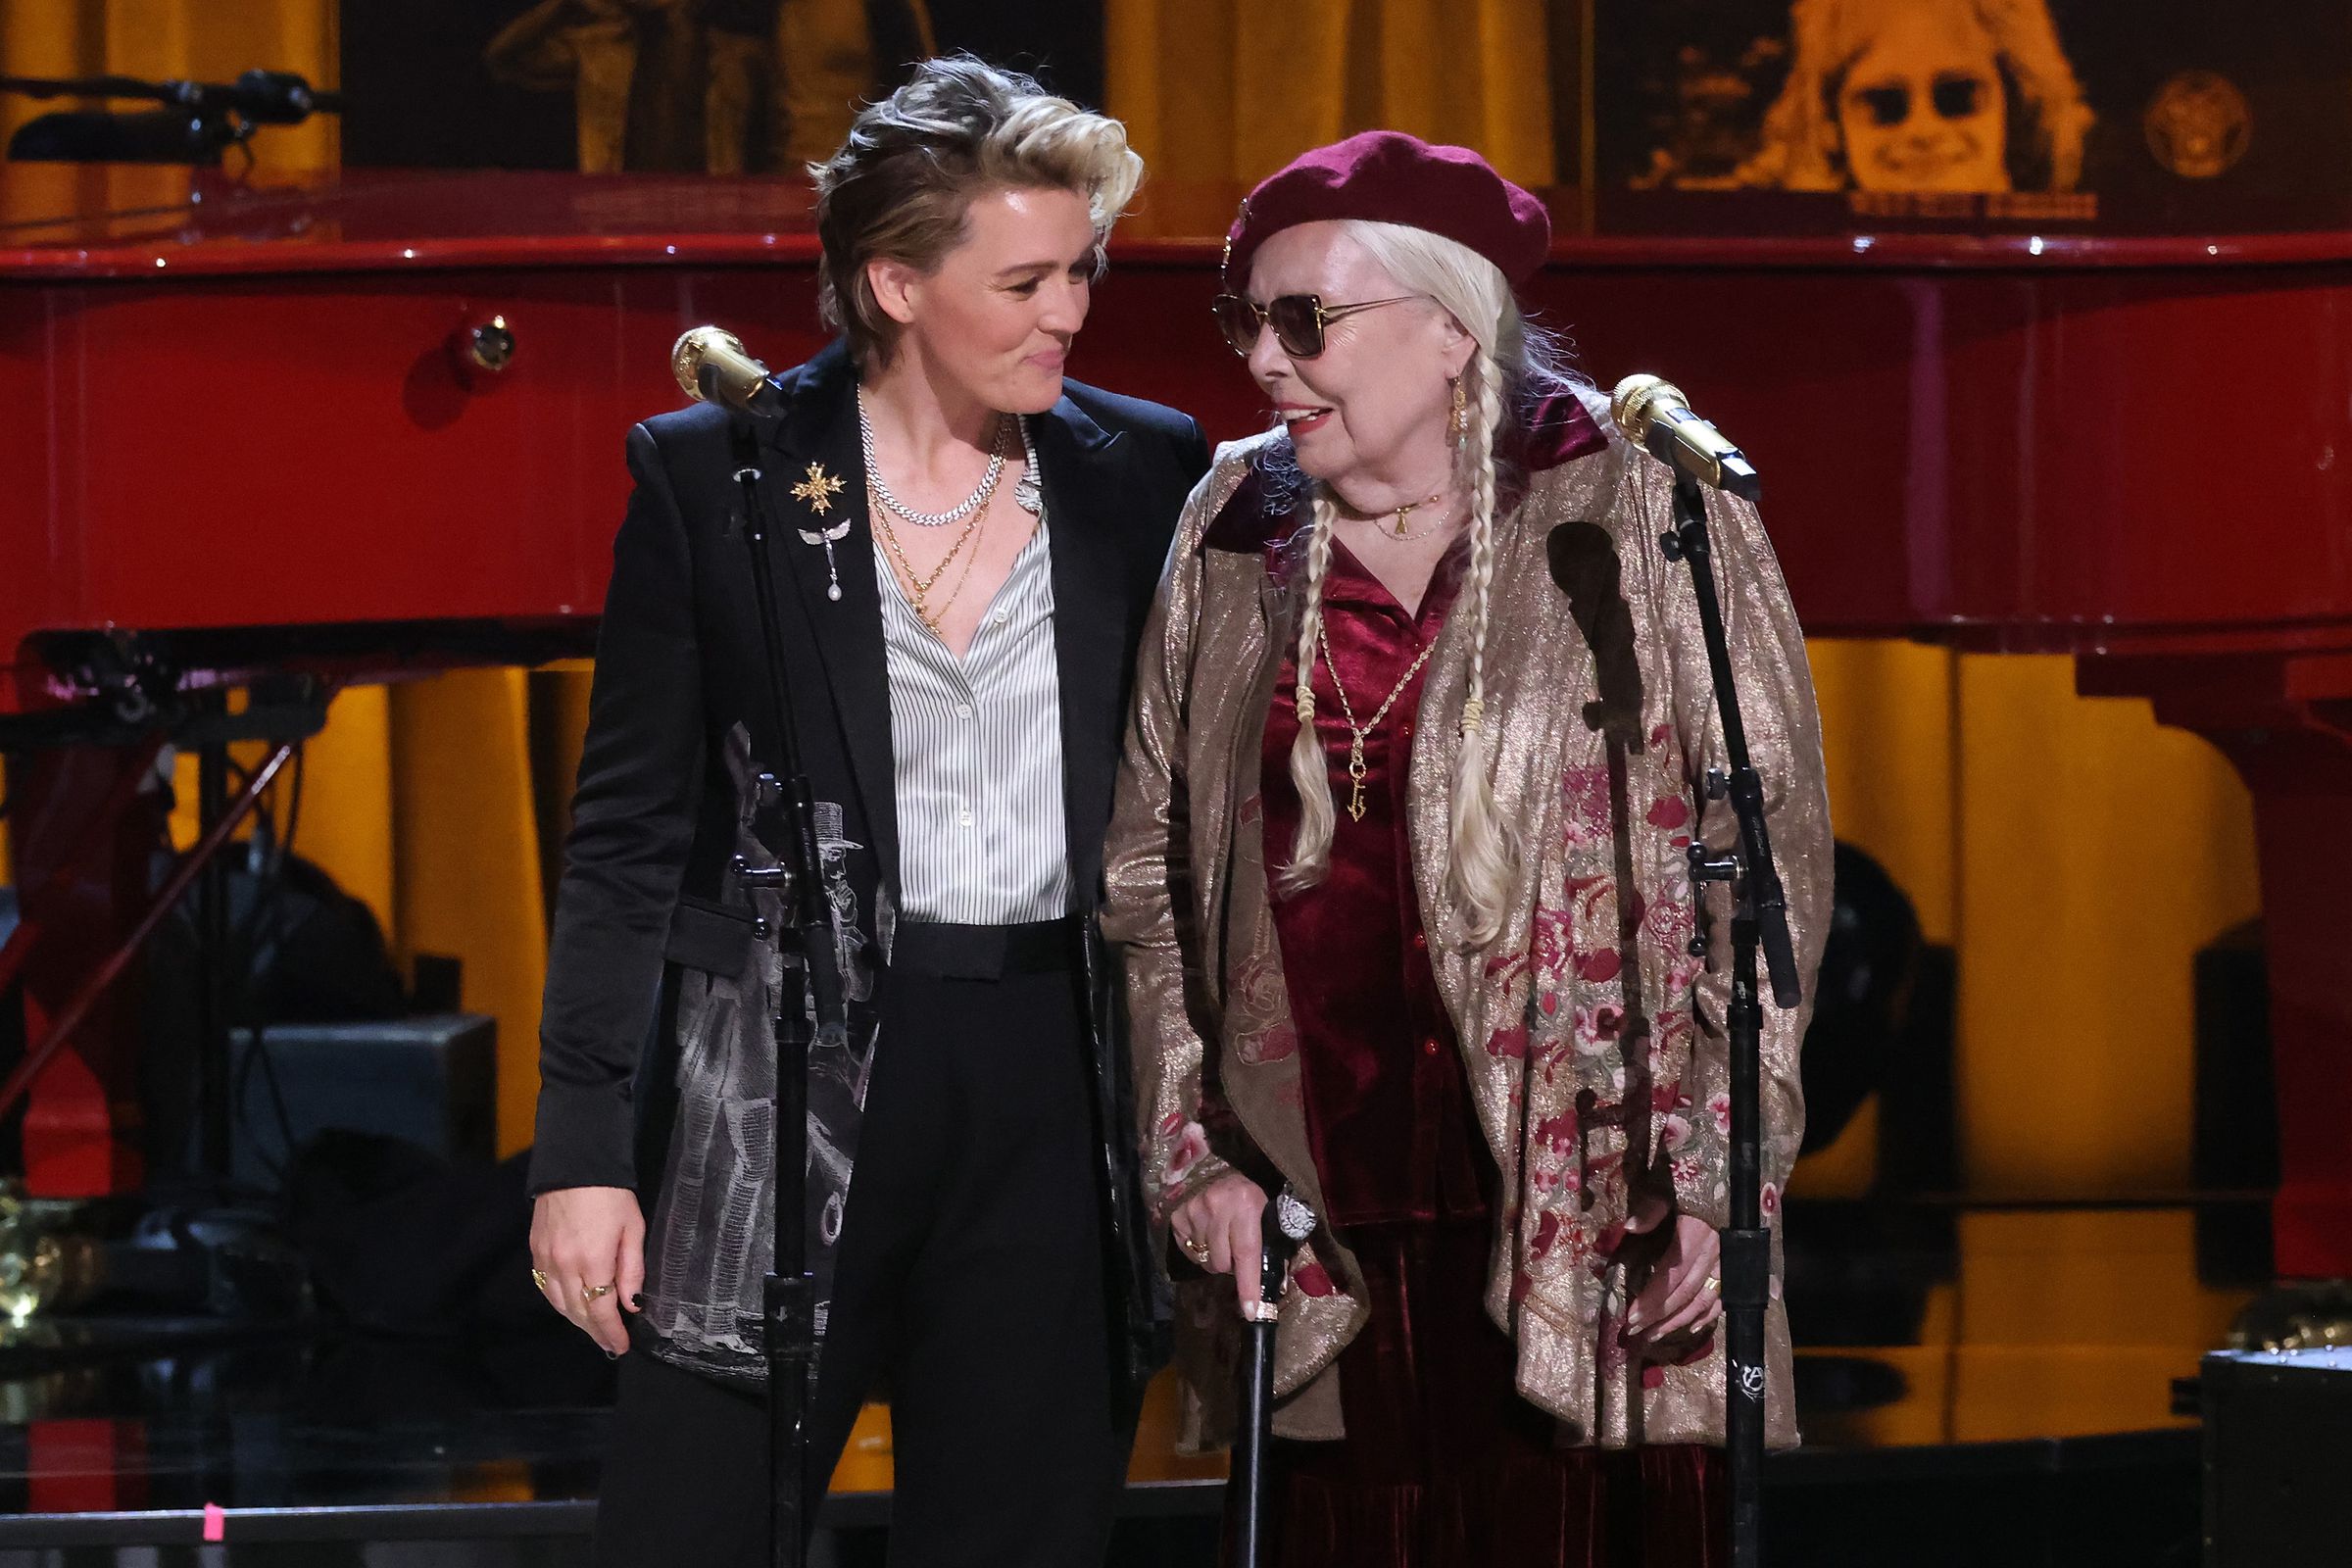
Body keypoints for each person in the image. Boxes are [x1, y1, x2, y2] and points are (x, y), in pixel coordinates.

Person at [1102, 129, 1832, 1566]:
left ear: (1450, 329)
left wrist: (1716, 1176)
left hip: (1593, 1214)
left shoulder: (1636, 506)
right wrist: (1192, 1157)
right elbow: (1148, 875)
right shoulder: (1231, 526)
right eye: (1242, 319)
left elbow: (1767, 864)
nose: (1260, 358)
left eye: (1304, 320)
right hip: (1322, 1231)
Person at [527, 57, 1208, 1568]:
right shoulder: (722, 479)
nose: (1072, 313)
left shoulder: (1141, 473)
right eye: (1024, 279)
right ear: (896, 284)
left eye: (1081, 270)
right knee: (692, 1531)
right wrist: (582, 1148)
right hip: (785, 1067)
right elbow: (627, 840)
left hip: (1048, 1069)